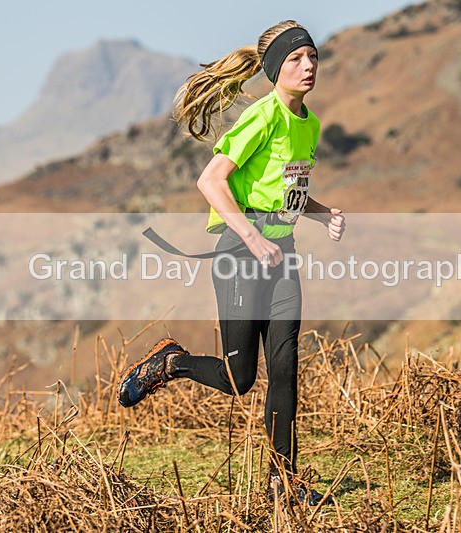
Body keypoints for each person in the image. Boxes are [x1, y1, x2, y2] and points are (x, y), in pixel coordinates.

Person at [119, 20, 345, 506]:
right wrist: (250, 236)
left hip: (281, 254)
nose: (308, 67)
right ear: (273, 70)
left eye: (312, 57)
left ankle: (282, 482)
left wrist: (323, 214)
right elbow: (211, 181)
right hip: (241, 253)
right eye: (294, 60)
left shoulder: (310, 123)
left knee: (284, 367)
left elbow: (287, 195)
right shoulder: (260, 117)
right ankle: (171, 362)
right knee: (238, 379)